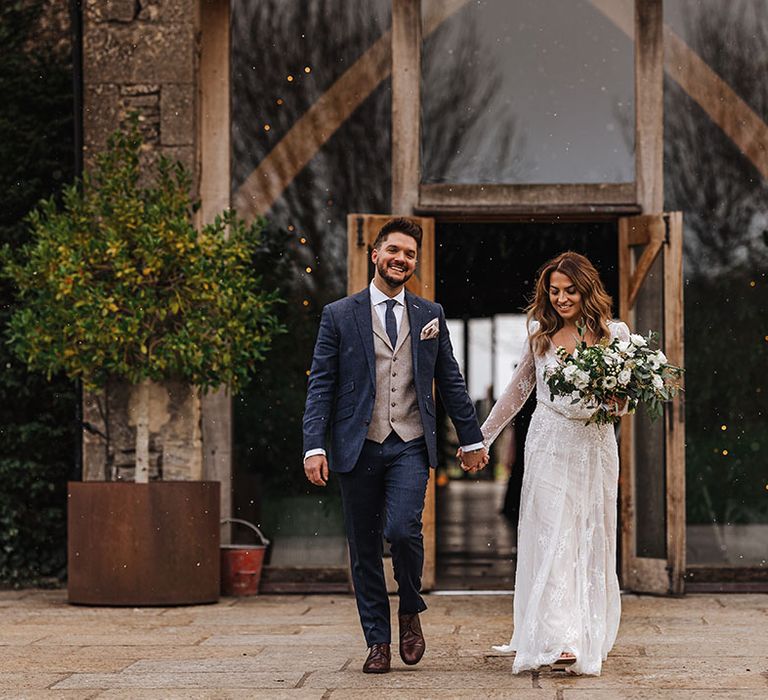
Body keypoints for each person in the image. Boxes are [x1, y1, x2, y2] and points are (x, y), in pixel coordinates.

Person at [303, 217, 489, 674]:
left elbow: (450, 381)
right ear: (375, 254)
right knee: (363, 547)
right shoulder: (339, 314)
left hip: (408, 442)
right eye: (394, 251)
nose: (401, 259)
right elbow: (321, 386)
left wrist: (471, 438)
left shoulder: (430, 315)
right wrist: (314, 445)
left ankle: (409, 605)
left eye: (409, 254)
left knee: (404, 530)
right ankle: (377, 642)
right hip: (357, 444)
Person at [460, 251, 628, 676]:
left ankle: (584, 626)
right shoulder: (539, 334)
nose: (561, 299)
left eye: (570, 291)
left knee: (587, 532)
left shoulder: (616, 334)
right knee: (553, 532)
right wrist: (478, 439)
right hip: (549, 441)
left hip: (594, 445)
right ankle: (561, 637)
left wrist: (617, 400)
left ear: (587, 289)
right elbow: (516, 393)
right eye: (554, 291)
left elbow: (626, 403)